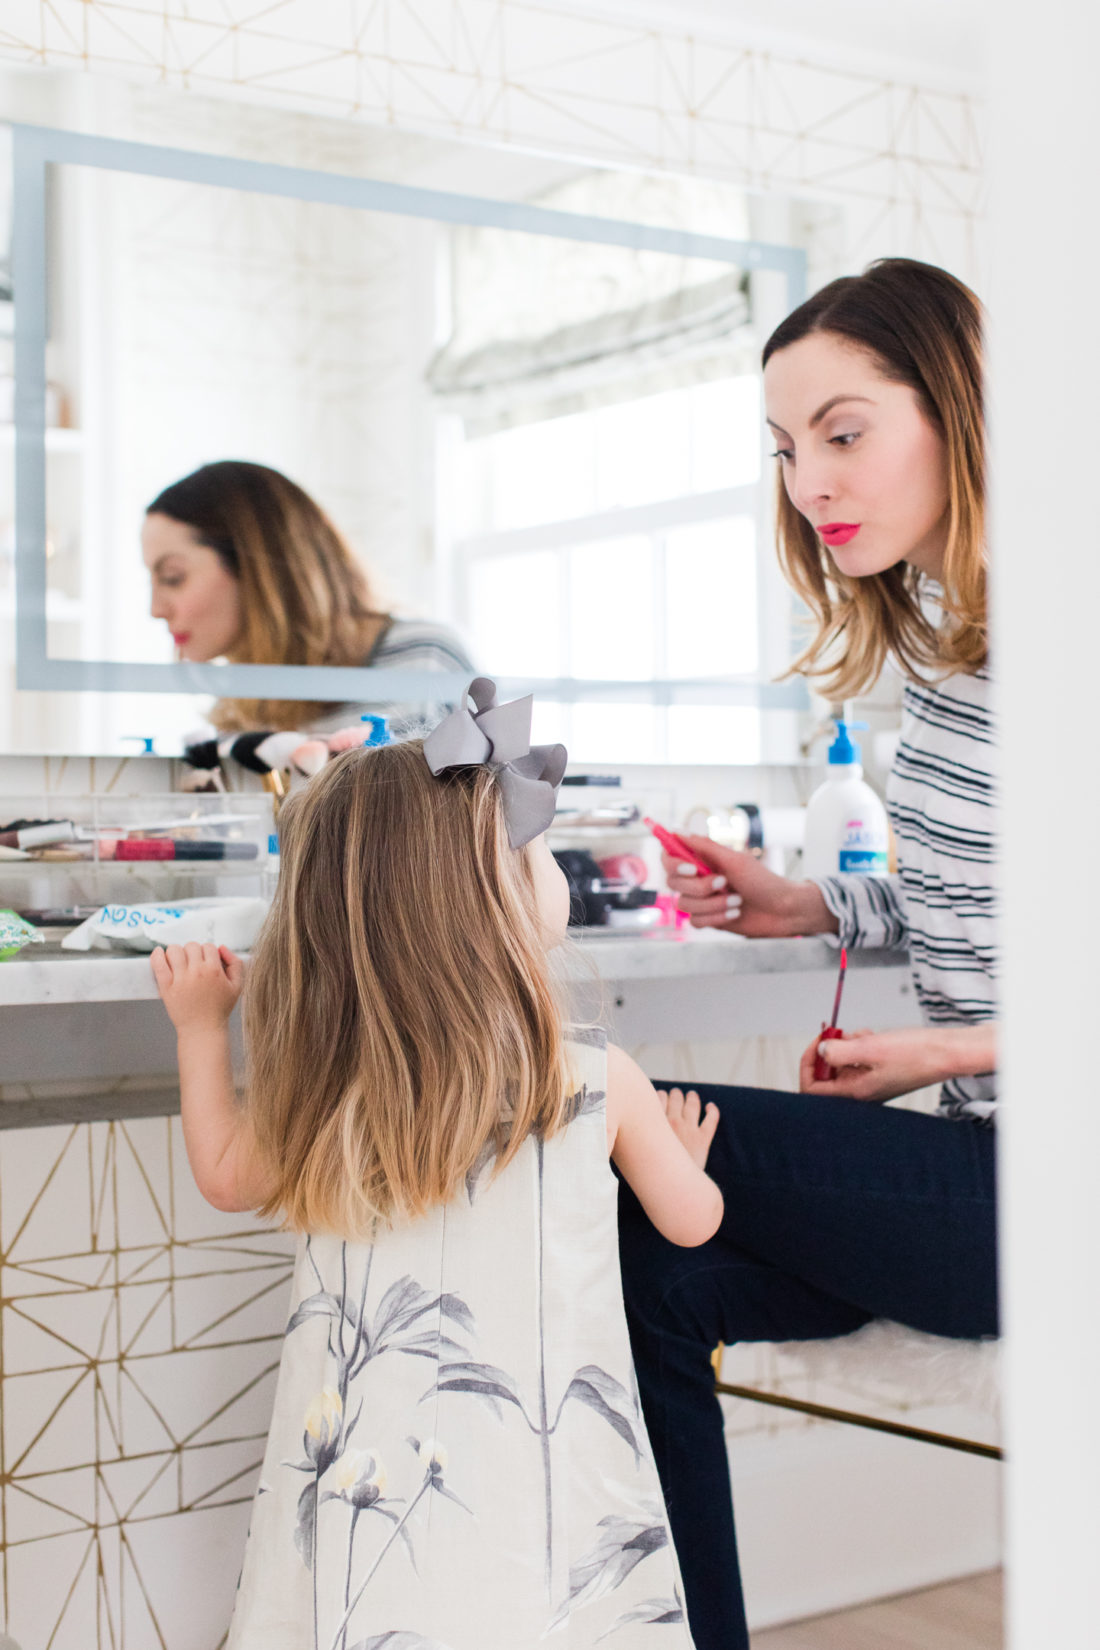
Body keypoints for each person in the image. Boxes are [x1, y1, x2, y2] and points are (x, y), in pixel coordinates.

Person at [150, 680, 724, 1650]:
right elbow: (692, 1222)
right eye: (531, 848)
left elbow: (225, 1177)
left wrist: (201, 1027)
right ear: (494, 899)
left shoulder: (329, 1088)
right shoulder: (591, 1078)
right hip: (541, 1462)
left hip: (378, 1479)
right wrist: (681, 1156)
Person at [617, 258, 998, 1650]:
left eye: (845, 432)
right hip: (982, 1160)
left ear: (960, 413)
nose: (809, 479)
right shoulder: (958, 668)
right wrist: (812, 907)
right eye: (787, 448)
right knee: (657, 1260)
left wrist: (956, 1046)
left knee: (641, 1132)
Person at [141, 459, 474, 736]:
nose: (155, 609)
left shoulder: (425, 659)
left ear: (256, 570)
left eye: (173, 577)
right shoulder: (238, 714)